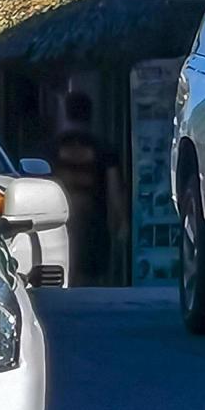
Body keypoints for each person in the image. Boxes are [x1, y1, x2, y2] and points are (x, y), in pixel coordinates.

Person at [51, 92, 126, 286]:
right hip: (94, 221)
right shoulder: (103, 148)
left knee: (68, 272)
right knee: (93, 280)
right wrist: (122, 222)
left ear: (66, 114)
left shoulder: (54, 147)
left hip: (60, 220)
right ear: (91, 115)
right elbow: (114, 189)